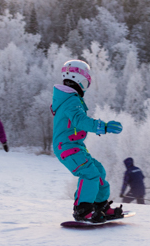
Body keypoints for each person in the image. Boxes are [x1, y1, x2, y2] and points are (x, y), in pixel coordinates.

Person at [52, 59, 124, 222]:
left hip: (75, 146)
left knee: (98, 170)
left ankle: (100, 205)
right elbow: (80, 120)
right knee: (89, 173)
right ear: (79, 79)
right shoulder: (70, 100)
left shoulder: (70, 98)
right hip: (66, 147)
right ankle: (82, 210)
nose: (85, 86)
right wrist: (102, 127)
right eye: (85, 82)